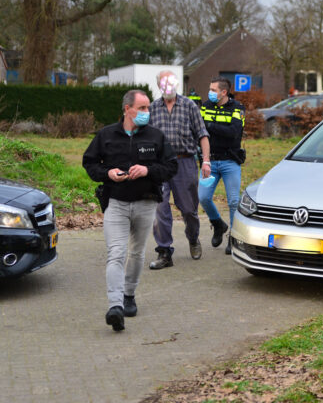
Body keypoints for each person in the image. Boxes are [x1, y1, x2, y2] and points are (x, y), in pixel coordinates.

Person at [82, 89, 177, 331]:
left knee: (136, 253)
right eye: (143, 108)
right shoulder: (106, 135)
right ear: (127, 109)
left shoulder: (156, 136)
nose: (147, 112)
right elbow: (90, 162)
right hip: (116, 203)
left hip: (146, 203)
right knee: (116, 253)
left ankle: (129, 295)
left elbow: (171, 166)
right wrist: (108, 174)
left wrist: (148, 171)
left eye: (148, 108)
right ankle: (115, 306)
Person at [149, 70, 211, 269]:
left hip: (185, 162)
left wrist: (206, 161)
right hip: (160, 164)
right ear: (159, 86)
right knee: (160, 208)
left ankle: (193, 238)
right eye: (164, 83)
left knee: (189, 210)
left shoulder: (189, 105)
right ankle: (164, 251)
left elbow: (202, 134)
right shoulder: (152, 108)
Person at [198, 77, 245, 255]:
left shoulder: (238, 108)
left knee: (234, 201)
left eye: (213, 89)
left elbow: (233, 133)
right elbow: (198, 130)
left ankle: (233, 238)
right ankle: (218, 224)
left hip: (229, 161)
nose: (209, 92)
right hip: (209, 161)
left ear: (223, 92)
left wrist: (209, 126)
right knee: (203, 197)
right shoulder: (205, 106)